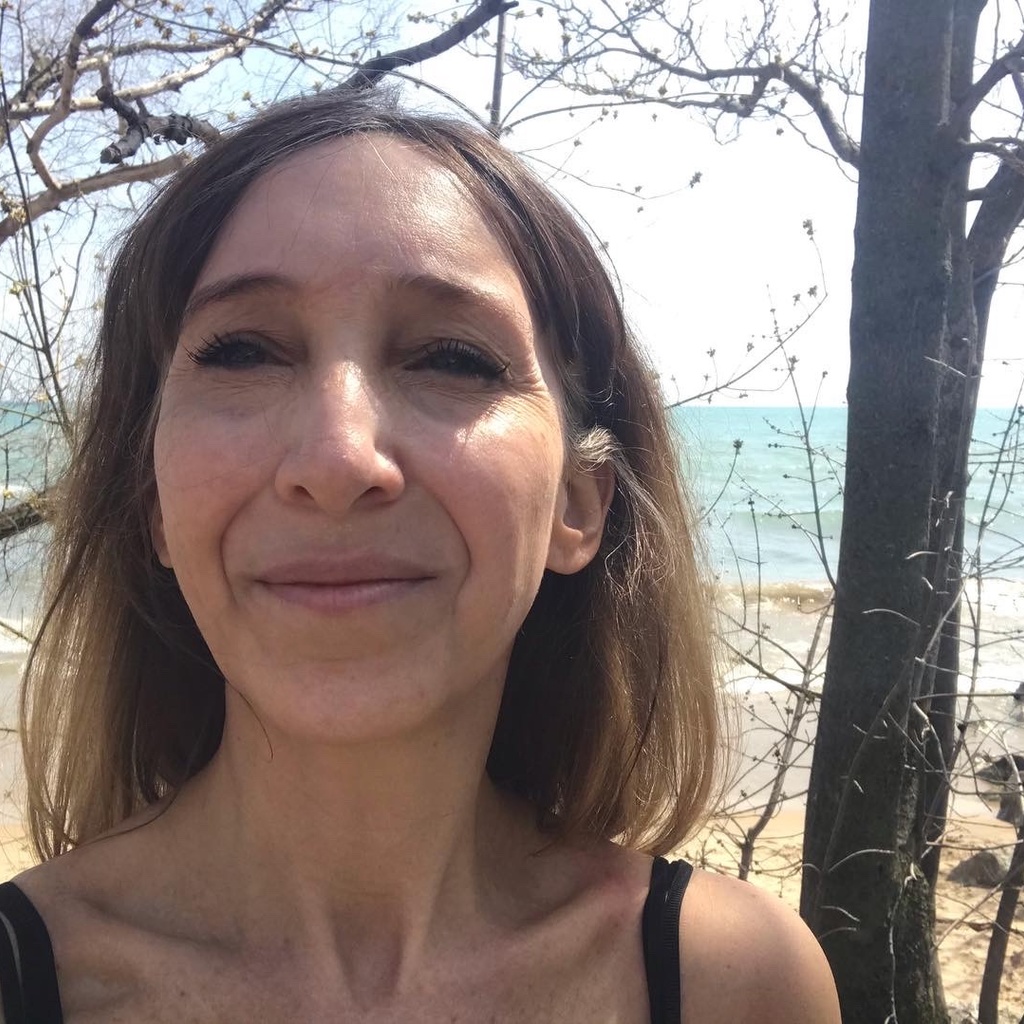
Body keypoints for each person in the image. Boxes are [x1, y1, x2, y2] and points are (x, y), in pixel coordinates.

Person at [0, 87, 840, 1023]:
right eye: (243, 351)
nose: (338, 457)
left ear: (577, 503)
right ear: (154, 502)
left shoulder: (741, 986)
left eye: (452, 356)